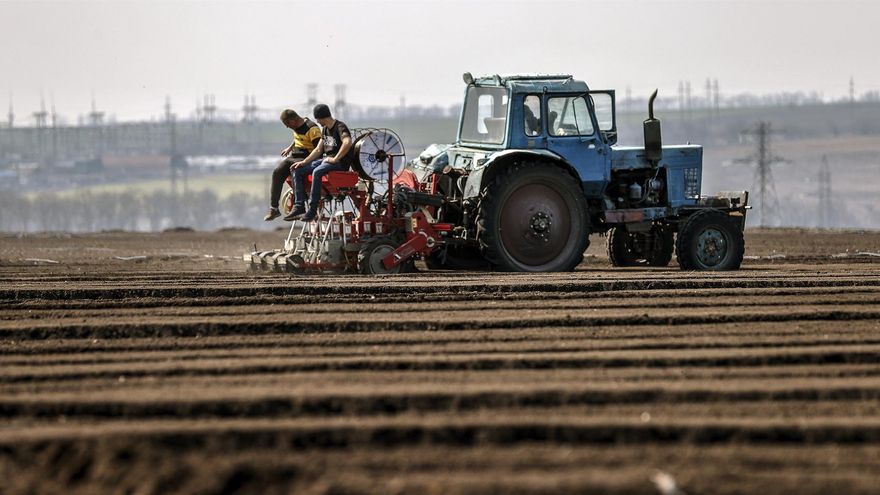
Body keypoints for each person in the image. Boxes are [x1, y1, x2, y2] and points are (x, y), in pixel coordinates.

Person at [284, 104, 355, 222]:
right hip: (326, 160)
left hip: (339, 163)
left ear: (321, 117)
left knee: (317, 171)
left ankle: (312, 210)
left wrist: (335, 159)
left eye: (317, 119)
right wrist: (304, 162)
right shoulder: (325, 129)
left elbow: (347, 142)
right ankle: (299, 206)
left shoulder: (340, 127)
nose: (316, 121)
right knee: (297, 170)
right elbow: (318, 150)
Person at [263, 109, 322, 221]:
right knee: (277, 172)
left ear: (294, 119)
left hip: (306, 158)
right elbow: (298, 137)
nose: (287, 127)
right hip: (294, 156)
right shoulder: (296, 126)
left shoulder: (312, 129)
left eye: (287, 124)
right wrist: (290, 148)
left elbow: (318, 150)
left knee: (295, 169)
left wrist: (305, 162)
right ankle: (274, 209)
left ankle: (299, 207)